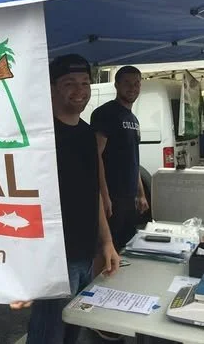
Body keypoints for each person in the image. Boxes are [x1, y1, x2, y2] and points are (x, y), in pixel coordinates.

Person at [11, 54, 120, 344]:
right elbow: (20, 200)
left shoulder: (86, 133)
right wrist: (23, 268)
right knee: (49, 334)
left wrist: (106, 242)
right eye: (69, 83)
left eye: (85, 83)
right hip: (53, 260)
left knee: (74, 332)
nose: (80, 90)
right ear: (51, 88)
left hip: (85, 256)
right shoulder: (38, 137)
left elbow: (92, 192)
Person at [90, 65, 149, 254]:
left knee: (126, 248)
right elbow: (96, 155)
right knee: (107, 249)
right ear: (116, 85)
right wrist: (104, 196)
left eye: (137, 83)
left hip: (129, 198)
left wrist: (140, 194)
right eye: (127, 83)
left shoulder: (134, 119)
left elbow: (134, 158)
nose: (132, 87)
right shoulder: (105, 114)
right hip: (112, 197)